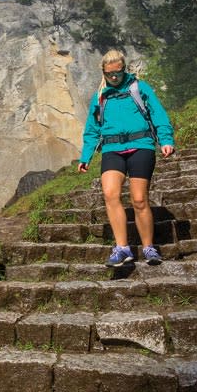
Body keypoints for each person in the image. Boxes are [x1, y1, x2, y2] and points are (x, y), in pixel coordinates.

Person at [77, 49, 175, 267]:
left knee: (139, 199)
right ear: (103, 72)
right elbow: (92, 129)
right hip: (112, 148)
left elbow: (158, 114)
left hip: (141, 145)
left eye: (118, 73)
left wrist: (166, 139)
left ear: (124, 69)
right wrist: (85, 157)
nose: (114, 78)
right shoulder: (100, 96)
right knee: (110, 194)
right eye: (109, 74)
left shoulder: (139, 88)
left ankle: (149, 247)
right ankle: (122, 248)